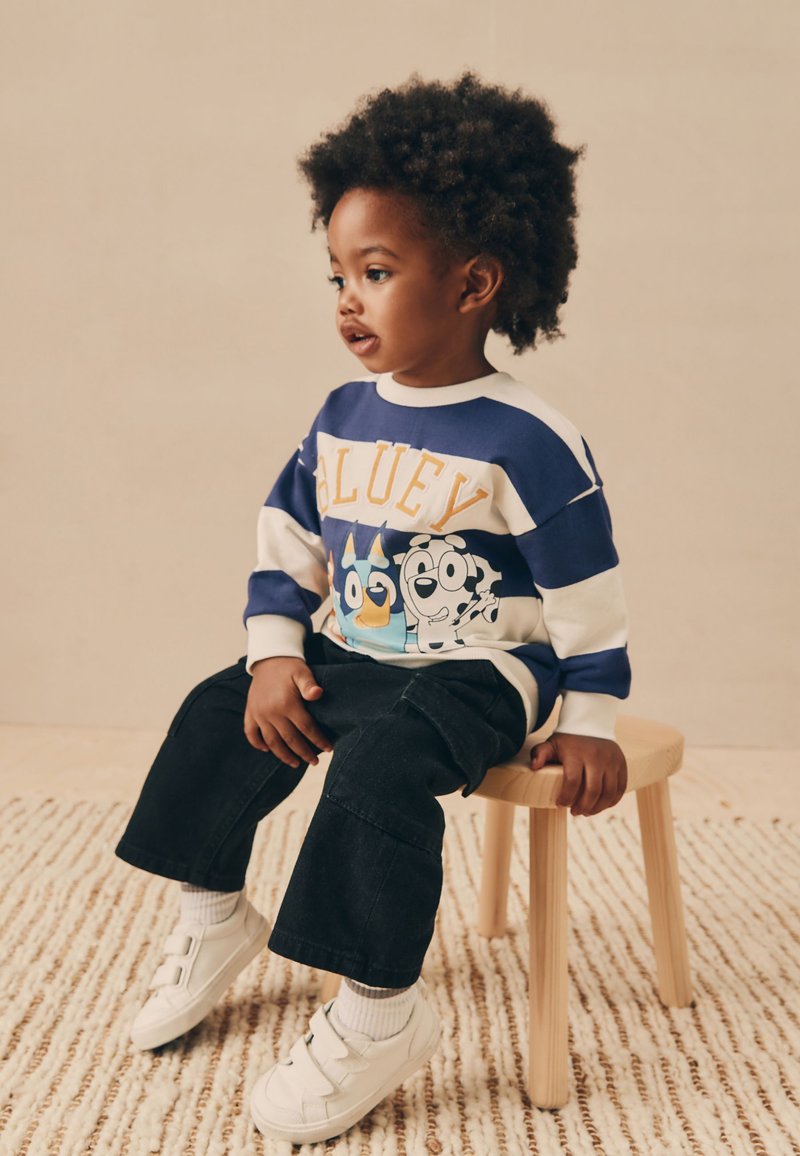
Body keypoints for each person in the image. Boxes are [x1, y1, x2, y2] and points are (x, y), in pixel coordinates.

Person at [114, 70, 631, 1145]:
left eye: (377, 272)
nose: (347, 297)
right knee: (216, 709)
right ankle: (214, 914)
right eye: (339, 274)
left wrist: (589, 720)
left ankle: (378, 1011)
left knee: (381, 765)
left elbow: (587, 596)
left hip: (480, 675)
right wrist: (272, 654)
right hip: (356, 653)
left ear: (474, 283)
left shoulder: (527, 438)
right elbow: (288, 541)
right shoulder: (341, 414)